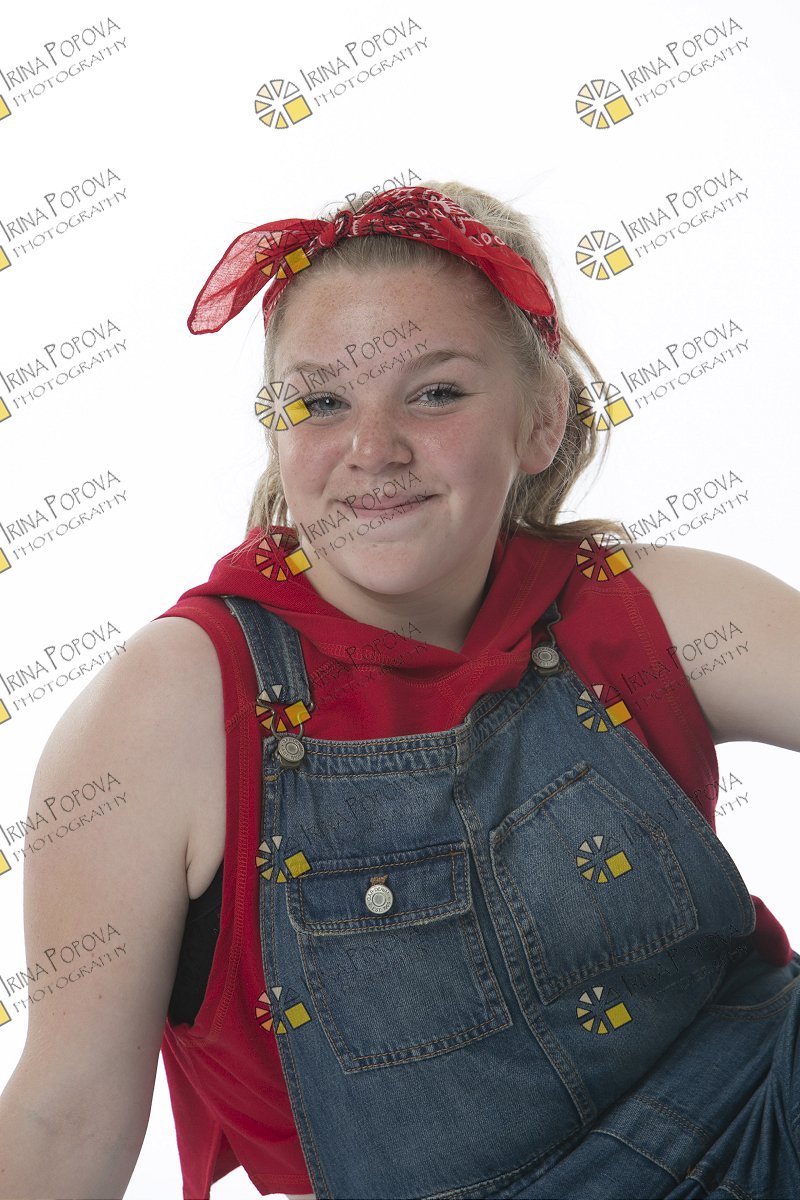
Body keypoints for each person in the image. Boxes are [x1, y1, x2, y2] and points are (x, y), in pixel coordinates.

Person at [0, 181, 798, 1200]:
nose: (372, 449)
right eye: (321, 402)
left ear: (541, 421)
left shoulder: (637, 606)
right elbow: (63, 1115)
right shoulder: (172, 706)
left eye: (436, 393)